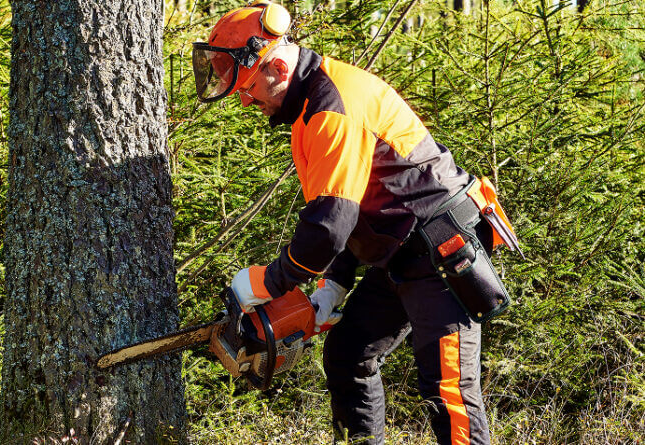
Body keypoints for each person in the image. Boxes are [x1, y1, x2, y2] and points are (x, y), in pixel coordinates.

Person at [193, 2, 521, 444]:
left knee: (450, 393)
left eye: (251, 90)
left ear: (276, 67)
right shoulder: (309, 113)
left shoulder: (332, 109)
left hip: (441, 250)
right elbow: (345, 213)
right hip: (400, 254)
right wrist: (333, 286)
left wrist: (269, 282)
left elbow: (329, 226)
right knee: (349, 354)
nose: (249, 101)